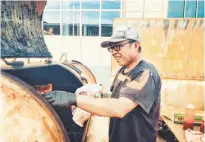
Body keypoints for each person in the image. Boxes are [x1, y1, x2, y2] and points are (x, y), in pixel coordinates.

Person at [43, 26, 162, 142]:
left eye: (118, 46)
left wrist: (72, 98)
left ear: (136, 46)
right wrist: (87, 102)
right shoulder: (122, 71)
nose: (113, 52)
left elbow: (120, 108)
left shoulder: (145, 74)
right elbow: (115, 98)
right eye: (111, 48)